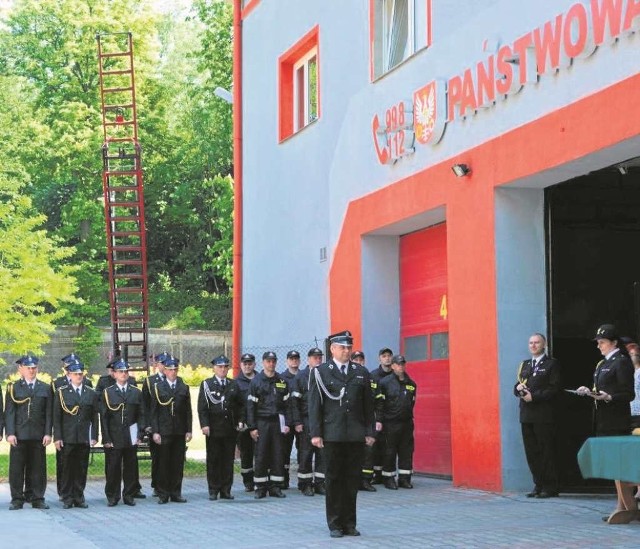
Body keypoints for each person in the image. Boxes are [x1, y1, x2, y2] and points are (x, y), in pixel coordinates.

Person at [308, 330, 376, 538]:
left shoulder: (361, 372)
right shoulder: (320, 372)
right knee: (334, 479)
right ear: (333, 349)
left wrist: (369, 431)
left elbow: (368, 406)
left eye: (349, 347)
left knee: (352, 479)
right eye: (342, 347)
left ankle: (350, 523)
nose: (346, 351)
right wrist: (316, 433)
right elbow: (314, 406)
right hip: (332, 434)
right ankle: (335, 524)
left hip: (355, 435)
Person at [576, 324, 635, 522]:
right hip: (603, 418)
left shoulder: (621, 362)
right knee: (612, 464)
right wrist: (589, 391)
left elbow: (628, 394)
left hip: (616, 420)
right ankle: (622, 504)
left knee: (619, 464)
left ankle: (624, 505)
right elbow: (599, 388)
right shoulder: (602, 364)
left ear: (614, 343)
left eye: (602, 342)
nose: (599, 346)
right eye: (598, 343)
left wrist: (609, 397)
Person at [514, 333, 561, 498]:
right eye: (531, 343)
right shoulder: (525, 365)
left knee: (545, 450)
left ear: (544, 344)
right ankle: (538, 484)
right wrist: (518, 390)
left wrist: (535, 396)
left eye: (537, 343)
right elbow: (517, 385)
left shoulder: (551, 364)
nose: (533, 345)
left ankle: (550, 486)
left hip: (543, 414)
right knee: (532, 452)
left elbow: (554, 389)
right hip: (526, 414)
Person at [5, 355, 53, 510]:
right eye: (28, 368)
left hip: (38, 435)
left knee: (38, 468)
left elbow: (48, 413)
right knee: (17, 469)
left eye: (34, 368)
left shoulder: (45, 387)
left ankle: (37, 497)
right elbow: (10, 412)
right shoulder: (13, 388)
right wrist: (10, 433)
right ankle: (17, 499)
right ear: (21, 369)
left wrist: (48, 433)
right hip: (19, 434)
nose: (32, 370)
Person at [96, 357, 145, 499]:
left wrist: (140, 435)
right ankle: (112, 496)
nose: (124, 374)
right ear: (114, 374)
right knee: (113, 468)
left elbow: (141, 415)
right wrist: (106, 437)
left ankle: (129, 495)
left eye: (125, 371)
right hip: (114, 435)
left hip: (131, 435)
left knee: (130, 467)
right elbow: (104, 417)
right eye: (120, 371)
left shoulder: (136, 392)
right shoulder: (108, 392)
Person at [53, 360, 99, 508]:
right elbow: (57, 417)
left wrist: (94, 436)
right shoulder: (61, 392)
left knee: (81, 468)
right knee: (67, 468)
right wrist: (58, 437)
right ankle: (67, 497)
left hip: (83, 436)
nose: (79, 376)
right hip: (68, 436)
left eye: (81, 374)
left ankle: (79, 497)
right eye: (76, 374)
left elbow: (94, 417)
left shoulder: (90, 392)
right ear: (69, 375)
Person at [198, 354, 244, 500]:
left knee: (227, 460)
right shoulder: (207, 384)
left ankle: (226, 489)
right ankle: (213, 489)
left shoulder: (233, 384)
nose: (223, 369)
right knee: (214, 460)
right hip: (214, 428)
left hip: (229, 428)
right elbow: (202, 407)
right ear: (214, 368)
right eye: (220, 367)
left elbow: (241, 405)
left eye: (225, 367)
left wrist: (241, 420)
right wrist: (204, 425)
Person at [246, 351, 290, 499]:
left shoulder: (282, 381)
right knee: (261, 455)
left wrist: (287, 424)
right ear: (263, 362)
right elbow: (250, 407)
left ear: (276, 363)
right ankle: (260, 487)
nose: (271, 364)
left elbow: (287, 405)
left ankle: (275, 487)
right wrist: (252, 427)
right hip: (262, 422)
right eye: (268, 361)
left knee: (278, 454)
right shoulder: (256, 381)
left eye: (273, 361)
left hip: (277, 422)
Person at [150, 354, 192, 504]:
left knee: (177, 463)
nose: (173, 372)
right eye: (170, 369)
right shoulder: (158, 387)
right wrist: (155, 431)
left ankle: (176, 492)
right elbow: (153, 411)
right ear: (165, 371)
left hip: (179, 430)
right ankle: (163, 493)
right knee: (163, 463)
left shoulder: (183, 386)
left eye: (175, 369)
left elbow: (188, 411)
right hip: (164, 430)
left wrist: (189, 430)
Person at [376, 354, 417, 489]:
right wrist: (379, 420)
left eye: (403, 364)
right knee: (389, 451)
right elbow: (380, 405)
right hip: (390, 423)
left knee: (406, 451)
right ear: (393, 366)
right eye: (398, 364)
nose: (401, 367)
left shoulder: (411, 384)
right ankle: (389, 478)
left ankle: (404, 479)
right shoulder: (385, 383)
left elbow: (412, 403)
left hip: (406, 423)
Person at [291, 347, 326, 496]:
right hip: (306, 420)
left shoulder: (326, 374)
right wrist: (297, 422)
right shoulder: (301, 376)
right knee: (306, 453)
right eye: (314, 357)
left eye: (319, 357)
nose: (317, 360)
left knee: (322, 454)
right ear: (308, 359)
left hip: (323, 420)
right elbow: (294, 402)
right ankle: (305, 484)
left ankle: (319, 483)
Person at [360, 347, 393, 491]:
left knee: (369, 451)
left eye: (361, 360)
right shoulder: (346, 378)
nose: (359, 362)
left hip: (369, 421)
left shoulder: (371, 378)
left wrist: (378, 419)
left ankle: (366, 480)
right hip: (353, 422)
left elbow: (379, 402)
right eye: (356, 360)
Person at [142, 352, 169, 497]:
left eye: (166, 363)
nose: (164, 366)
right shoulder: (149, 381)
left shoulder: (175, 380)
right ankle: (157, 485)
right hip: (155, 425)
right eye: (162, 363)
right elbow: (145, 405)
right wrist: (147, 425)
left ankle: (168, 485)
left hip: (170, 425)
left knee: (169, 458)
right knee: (157, 457)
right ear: (157, 365)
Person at [236, 352, 257, 491]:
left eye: (250, 364)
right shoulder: (236, 382)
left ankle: (261, 480)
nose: (247, 366)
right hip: (244, 424)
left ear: (254, 364)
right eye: (245, 364)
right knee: (246, 454)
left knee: (261, 453)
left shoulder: (261, 379)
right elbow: (235, 405)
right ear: (241, 365)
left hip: (259, 423)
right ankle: (248, 482)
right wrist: (239, 421)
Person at [281, 349, 302, 489]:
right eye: (291, 359)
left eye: (296, 359)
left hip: (301, 420)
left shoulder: (303, 376)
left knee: (303, 450)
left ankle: (303, 480)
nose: (294, 361)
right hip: (287, 421)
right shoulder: (281, 378)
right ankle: (284, 479)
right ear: (287, 361)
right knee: (284, 451)